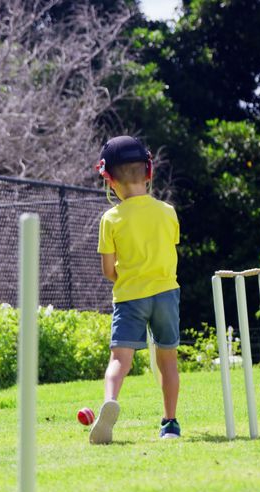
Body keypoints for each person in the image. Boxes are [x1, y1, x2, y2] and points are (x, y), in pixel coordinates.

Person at [90, 135, 182, 443]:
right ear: (148, 173)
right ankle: (170, 423)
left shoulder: (111, 218)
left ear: (110, 181)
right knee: (167, 360)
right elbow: (168, 252)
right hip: (166, 293)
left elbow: (108, 269)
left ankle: (110, 400)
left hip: (130, 296)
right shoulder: (168, 212)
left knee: (120, 360)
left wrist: (129, 279)